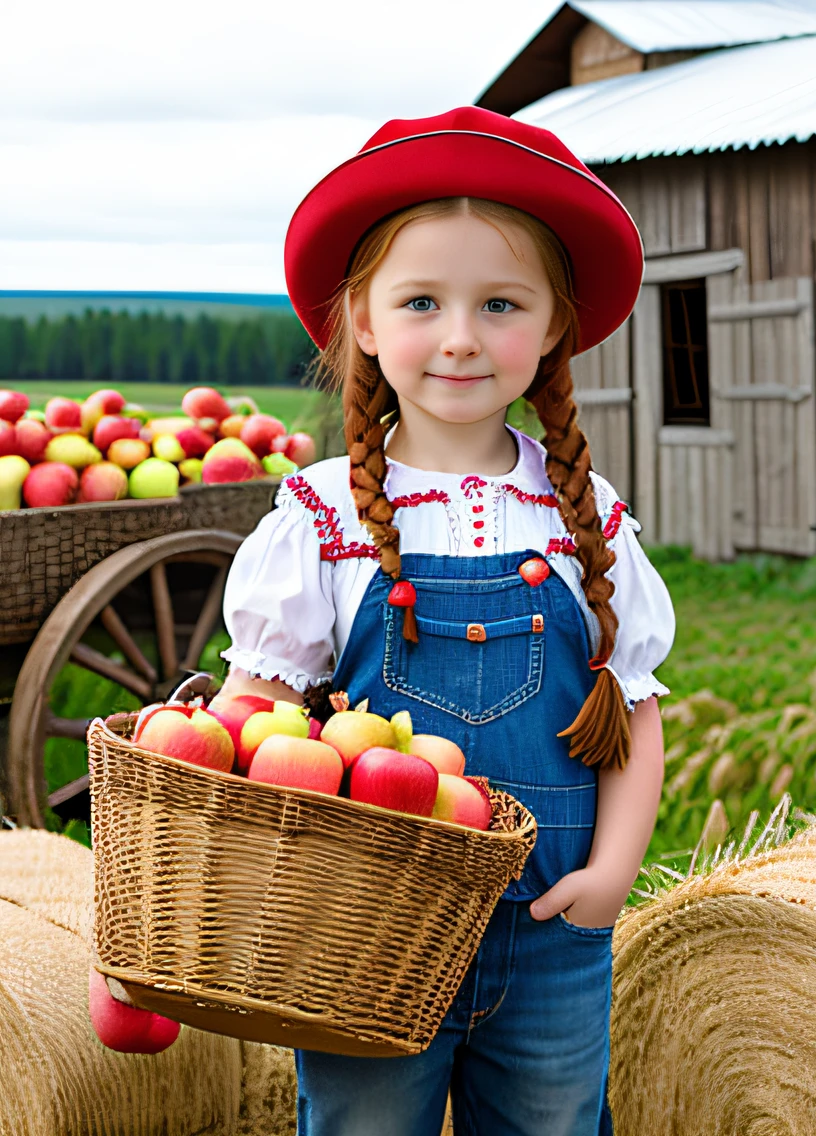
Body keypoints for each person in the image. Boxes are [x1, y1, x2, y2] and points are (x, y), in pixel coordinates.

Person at [213, 107, 674, 1135]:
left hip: (553, 927)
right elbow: (261, 715)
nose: (461, 336)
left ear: (553, 324)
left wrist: (611, 875)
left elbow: (633, 717)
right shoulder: (324, 517)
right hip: (365, 927)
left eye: (500, 302)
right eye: (422, 300)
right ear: (364, 320)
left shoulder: (585, 518)